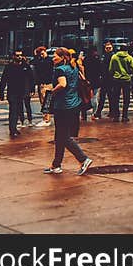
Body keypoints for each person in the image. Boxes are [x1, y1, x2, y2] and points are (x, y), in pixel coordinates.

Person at [44, 48, 93, 176]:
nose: (52, 58)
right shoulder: (73, 67)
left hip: (63, 106)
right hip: (73, 104)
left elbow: (63, 84)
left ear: (62, 57)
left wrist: (51, 91)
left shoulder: (60, 69)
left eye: (55, 56)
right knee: (59, 137)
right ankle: (56, 165)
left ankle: (83, 159)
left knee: (64, 137)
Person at [0, 49, 34, 138]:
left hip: (22, 92)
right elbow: (3, 79)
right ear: (13, 56)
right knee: (13, 111)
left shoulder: (25, 66)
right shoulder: (9, 67)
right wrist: (1, 92)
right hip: (12, 92)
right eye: (17, 55)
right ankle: (12, 129)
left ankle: (14, 128)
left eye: (21, 55)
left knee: (19, 110)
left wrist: (32, 89)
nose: (19, 57)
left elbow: (31, 78)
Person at [32, 46, 54, 127]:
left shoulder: (48, 61)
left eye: (42, 53)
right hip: (42, 83)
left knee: (46, 101)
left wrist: (36, 56)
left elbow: (36, 64)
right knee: (43, 101)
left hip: (46, 83)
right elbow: (33, 63)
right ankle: (46, 118)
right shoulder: (42, 60)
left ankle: (46, 119)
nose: (41, 55)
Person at [93, 41, 114, 120]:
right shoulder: (103, 56)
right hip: (105, 79)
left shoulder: (111, 56)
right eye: (107, 48)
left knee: (108, 97)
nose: (108, 49)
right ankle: (100, 112)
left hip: (109, 79)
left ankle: (104, 112)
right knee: (104, 97)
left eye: (109, 48)